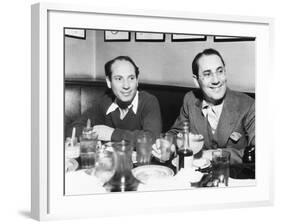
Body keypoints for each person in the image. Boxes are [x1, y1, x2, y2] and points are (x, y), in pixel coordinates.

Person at [168, 48, 255, 164]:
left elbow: (260, 152)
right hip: (196, 176)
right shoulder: (190, 100)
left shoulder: (248, 105)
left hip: (234, 176)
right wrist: (167, 145)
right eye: (207, 74)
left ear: (225, 72)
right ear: (196, 81)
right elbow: (176, 134)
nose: (216, 80)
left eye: (220, 71)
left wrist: (209, 155)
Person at [66, 56, 162, 143]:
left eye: (131, 78)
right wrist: (95, 132)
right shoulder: (105, 101)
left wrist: (111, 134)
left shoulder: (149, 101)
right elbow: (71, 131)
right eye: (119, 79)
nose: (126, 85)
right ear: (109, 82)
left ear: (137, 81)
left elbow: (152, 138)